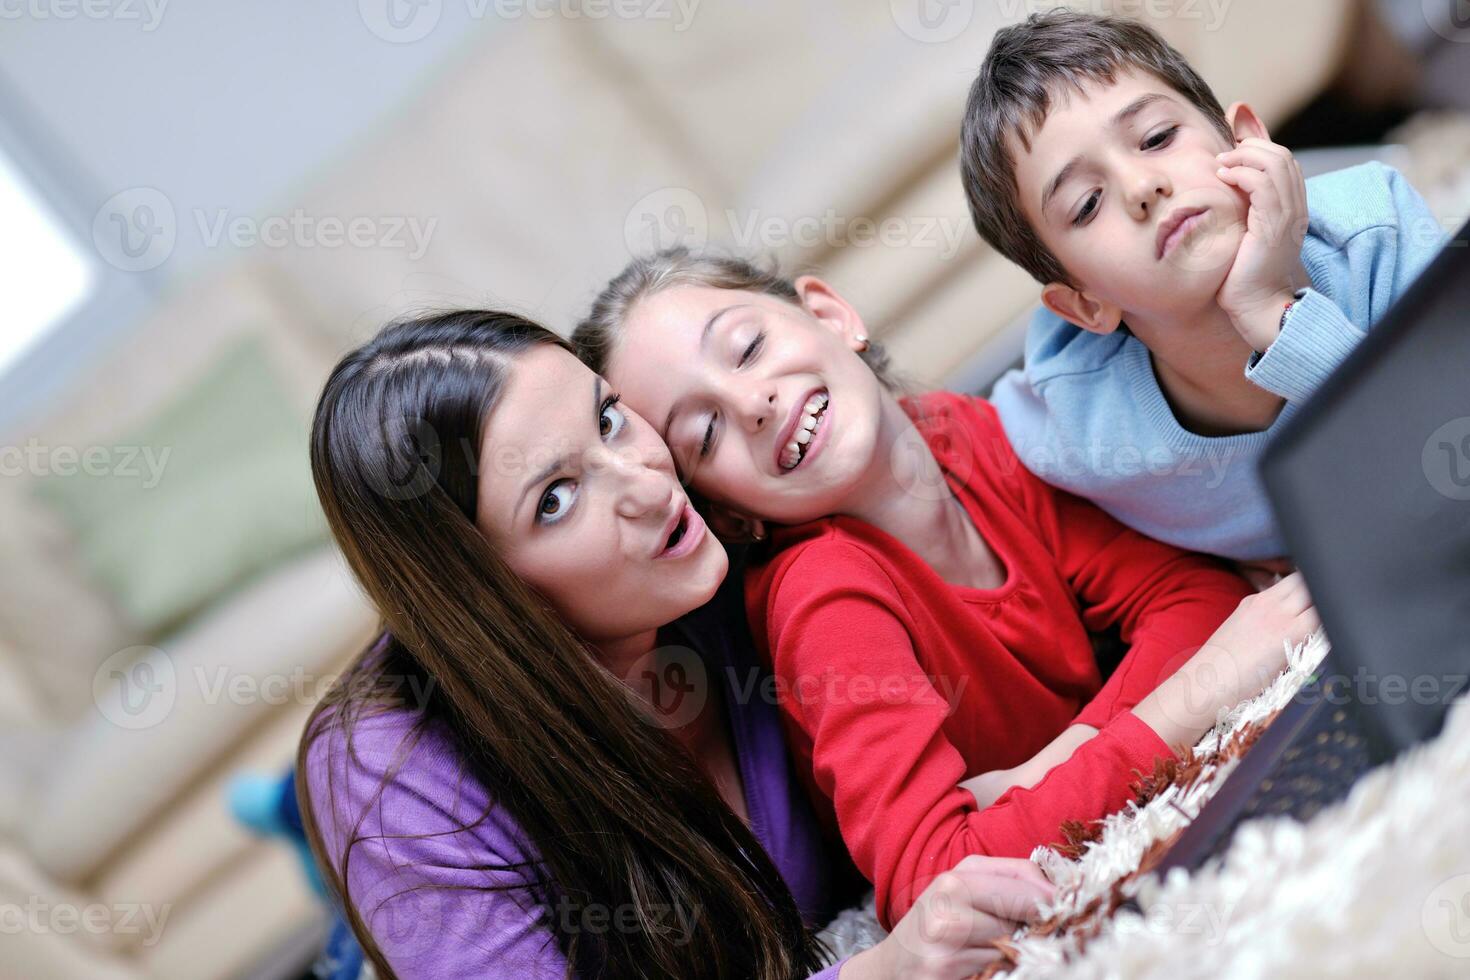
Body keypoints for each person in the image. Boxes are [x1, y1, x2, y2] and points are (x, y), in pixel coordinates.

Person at [298, 309, 1055, 980]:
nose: (649, 485)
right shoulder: (394, 775)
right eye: (556, 499)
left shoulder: (715, 521)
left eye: (607, 419)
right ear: (491, 599)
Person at [575, 249, 1318, 929]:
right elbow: (938, 880)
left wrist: (1047, 768)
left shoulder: (958, 429)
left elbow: (1197, 600)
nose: (752, 404)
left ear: (832, 315)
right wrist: (1191, 700)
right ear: (730, 513)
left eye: (747, 347)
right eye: (703, 435)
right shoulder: (822, 596)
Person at [967, 10, 1444, 566]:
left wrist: (1272, 311)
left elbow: (1439, 440)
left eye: (1157, 137)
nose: (1143, 186)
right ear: (1084, 304)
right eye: (1087, 204)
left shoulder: (1376, 238)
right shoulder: (1079, 423)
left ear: (1244, 141)